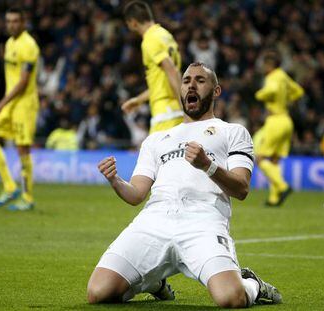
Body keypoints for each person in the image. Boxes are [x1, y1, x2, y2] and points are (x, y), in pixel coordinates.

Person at [87, 63, 282, 308]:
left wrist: (207, 165)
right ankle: (154, 282)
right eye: (187, 80)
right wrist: (116, 181)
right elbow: (136, 194)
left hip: (203, 222)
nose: (191, 84)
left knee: (231, 299)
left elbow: (241, 188)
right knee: (98, 293)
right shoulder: (156, 140)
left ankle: (252, 284)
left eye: (200, 80)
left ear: (216, 91)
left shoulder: (234, 132)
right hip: (154, 222)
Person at [0, 7, 40, 211]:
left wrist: (0, 104)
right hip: (10, 102)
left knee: (22, 149)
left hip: (24, 104)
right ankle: (10, 187)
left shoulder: (29, 45)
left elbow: (23, 82)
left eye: (15, 21)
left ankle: (27, 198)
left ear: (23, 22)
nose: (11, 25)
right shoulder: (10, 43)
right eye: (8, 21)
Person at [121, 0, 183, 133]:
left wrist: (184, 104)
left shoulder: (150, 39)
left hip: (165, 112)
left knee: (151, 152)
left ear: (133, 22)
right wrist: (138, 100)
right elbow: (165, 77)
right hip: (173, 109)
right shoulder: (166, 35)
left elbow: (171, 70)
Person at [253, 50, 304, 207]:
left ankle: (283, 187)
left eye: (264, 64)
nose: (263, 67)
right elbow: (299, 91)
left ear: (270, 64)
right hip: (286, 120)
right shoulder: (284, 75)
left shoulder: (273, 76)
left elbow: (272, 90)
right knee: (275, 160)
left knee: (259, 157)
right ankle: (274, 198)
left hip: (275, 120)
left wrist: (259, 95)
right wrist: (288, 100)